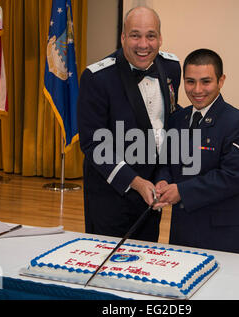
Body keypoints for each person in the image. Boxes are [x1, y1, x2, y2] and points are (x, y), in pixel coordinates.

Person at [77, 6, 181, 242]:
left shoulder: (172, 67)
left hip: (152, 194)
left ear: (160, 38)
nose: (143, 44)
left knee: (144, 262)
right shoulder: (97, 78)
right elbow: (93, 145)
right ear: (123, 37)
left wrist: (163, 175)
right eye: (135, 35)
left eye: (150, 35)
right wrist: (135, 182)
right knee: (105, 264)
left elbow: (166, 128)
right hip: (111, 193)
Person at [154, 49, 239, 254]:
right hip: (183, 231)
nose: (197, 89)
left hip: (223, 235)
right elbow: (167, 162)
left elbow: (232, 177)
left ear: (221, 81)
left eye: (206, 81)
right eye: (190, 82)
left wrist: (181, 191)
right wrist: (163, 180)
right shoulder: (177, 120)